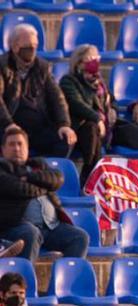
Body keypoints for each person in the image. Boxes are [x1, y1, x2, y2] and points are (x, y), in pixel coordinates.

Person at [0, 126, 89, 260]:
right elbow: (16, 188)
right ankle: (23, 279)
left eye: (20, 144)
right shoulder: (2, 169)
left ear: (27, 148)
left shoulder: (38, 164)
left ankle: (66, 277)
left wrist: (30, 177)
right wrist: (45, 186)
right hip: (16, 226)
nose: (17, 148)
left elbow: (58, 178)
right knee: (31, 233)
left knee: (80, 237)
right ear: (3, 150)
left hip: (51, 226)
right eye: (12, 144)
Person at [0, 25, 74, 158]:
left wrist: (64, 124)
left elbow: (57, 98)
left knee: (64, 139)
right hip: (9, 125)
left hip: (38, 127)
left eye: (35, 45)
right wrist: (8, 124)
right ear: (15, 46)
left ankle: (49, 176)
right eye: (28, 46)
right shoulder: (2, 66)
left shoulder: (42, 67)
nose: (33, 49)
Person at [58, 45, 117, 181]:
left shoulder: (99, 82)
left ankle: (94, 175)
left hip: (101, 130)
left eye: (96, 58)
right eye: (89, 59)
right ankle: (91, 173)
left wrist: (113, 109)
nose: (94, 62)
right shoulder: (69, 81)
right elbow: (77, 104)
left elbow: (112, 99)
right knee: (91, 127)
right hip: (79, 129)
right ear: (79, 63)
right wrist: (97, 119)